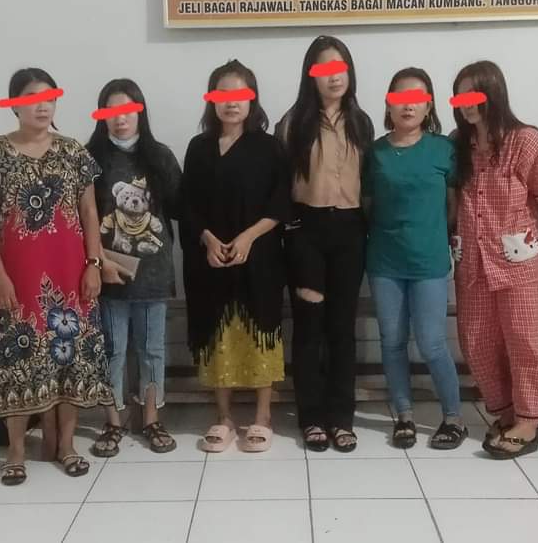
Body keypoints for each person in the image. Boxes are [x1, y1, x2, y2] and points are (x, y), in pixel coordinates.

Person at [0, 67, 113, 485]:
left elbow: (89, 212)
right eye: (32, 99)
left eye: (49, 98)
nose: (43, 106)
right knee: (17, 360)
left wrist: (94, 264)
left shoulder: (73, 153)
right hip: (18, 278)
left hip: (71, 276)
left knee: (71, 360)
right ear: (15, 104)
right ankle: (15, 452)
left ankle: (66, 446)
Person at [180, 60, 290, 453]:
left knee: (261, 332)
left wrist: (248, 237)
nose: (231, 102)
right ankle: (224, 417)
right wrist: (208, 240)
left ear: (252, 99)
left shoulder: (269, 147)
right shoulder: (198, 148)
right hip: (210, 260)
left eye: (240, 94)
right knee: (218, 335)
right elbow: (187, 204)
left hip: (259, 259)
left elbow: (281, 201)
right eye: (223, 94)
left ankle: (262, 416)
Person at [451, 60, 538, 459]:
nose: (466, 104)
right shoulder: (458, 145)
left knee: (524, 342)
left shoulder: (526, 141)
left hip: (518, 262)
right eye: (460, 96)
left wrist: (519, 235)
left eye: (474, 95)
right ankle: (506, 411)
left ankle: (528, 420)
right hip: (472, 262)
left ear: (494, 93)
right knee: (476, 341)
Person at [276, 35, 374, 453]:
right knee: (309, 327)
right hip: (307, 231)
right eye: (324, 69)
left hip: (350, 231)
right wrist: (291, 229)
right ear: (310, 76)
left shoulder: (362, 122)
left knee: (341, 328)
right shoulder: (293, 122)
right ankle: (312, 417)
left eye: (340, 68)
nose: (334, 77)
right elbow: (279, 182)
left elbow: (369, 183)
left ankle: (341, 418)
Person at [363, 67, 466, 450]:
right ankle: (403, 415)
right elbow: (367, 206)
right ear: (388, 104)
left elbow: (453, 207)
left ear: (429, 105)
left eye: (417, 98)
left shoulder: (443, 149)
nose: (408, 105)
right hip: (384, 261)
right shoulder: (375, 152)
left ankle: (453, 418)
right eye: (400, 98)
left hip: (429, 263)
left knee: (432, 343)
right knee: (392, 341)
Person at [88, 78, 181, 457]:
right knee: (112, 350)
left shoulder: (160, 156)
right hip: (108, 273)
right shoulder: (90, 159)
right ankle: (113, 422)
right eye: (112, 111)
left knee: (152, 350)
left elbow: (180, 207)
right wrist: (98, 262)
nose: (120, 118)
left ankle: (151, 419)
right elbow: (82, 220)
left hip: (153, 274)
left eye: (127, 109)